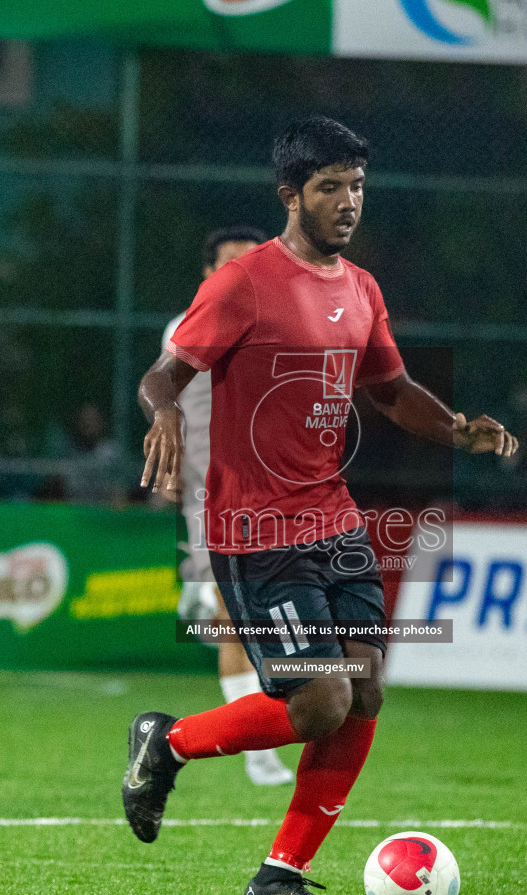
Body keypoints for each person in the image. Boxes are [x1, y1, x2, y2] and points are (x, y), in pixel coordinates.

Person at [124, 116, 518, 895]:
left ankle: (278, 878)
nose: (348, 203)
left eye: (358, 187)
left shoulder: (362, 289)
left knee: (365, 689)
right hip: (253, 528)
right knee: (321, 704)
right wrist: (162, 412)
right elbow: (163, 374)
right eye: (330, 187)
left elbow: (391, 390)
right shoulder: (243, 284)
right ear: (290, 194)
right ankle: (167, 744)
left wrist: (454, 427)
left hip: (333, 521)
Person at [164, 224, 295, 787]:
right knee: (230, 617)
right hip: (209, 494)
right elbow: (167, 399)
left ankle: (261, 735)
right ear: (208, 273)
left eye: (253, 261)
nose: (244, 271)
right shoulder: (188, 327)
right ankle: (256, 751)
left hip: (276, 494)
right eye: (230, 262)